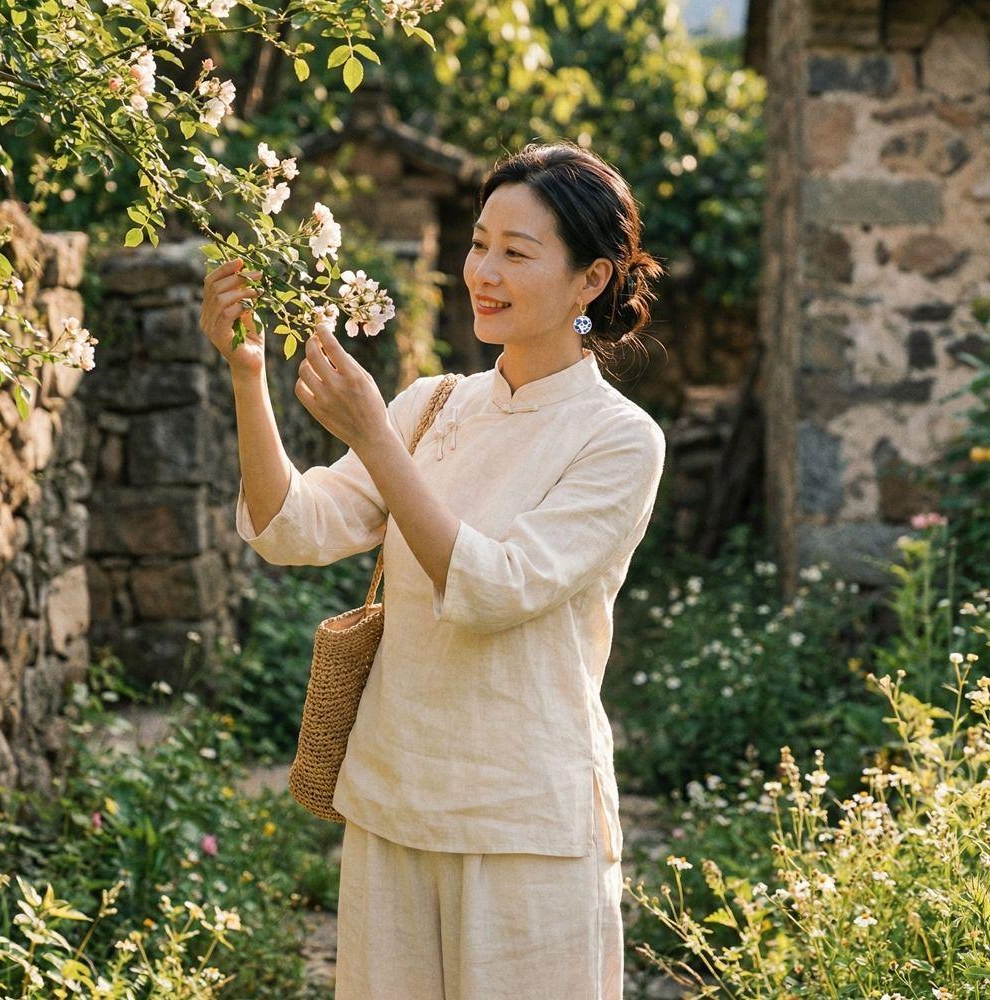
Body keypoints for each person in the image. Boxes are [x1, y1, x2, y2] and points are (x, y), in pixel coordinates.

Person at [200, 140, 667, 1000]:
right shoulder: (432, 404)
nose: (482, 271)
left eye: (516, 253)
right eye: (480, 243)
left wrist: (373, 435)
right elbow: (288, 527)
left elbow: (494, 589)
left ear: (591, 280)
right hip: (392, 802)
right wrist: (247, 373)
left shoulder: (620, 439)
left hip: (524, 827)